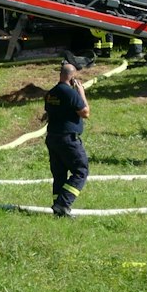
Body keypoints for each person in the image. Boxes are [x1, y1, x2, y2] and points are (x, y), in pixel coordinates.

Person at [43, 62, 90, 216]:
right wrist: (81, 92)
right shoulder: (70, 93)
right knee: (81, 170)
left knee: (60, 174)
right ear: (72, 78)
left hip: (53, 138)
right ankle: (63, 204)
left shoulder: (51, 93)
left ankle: (57, 208)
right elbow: (85, 112)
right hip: (67, 139)